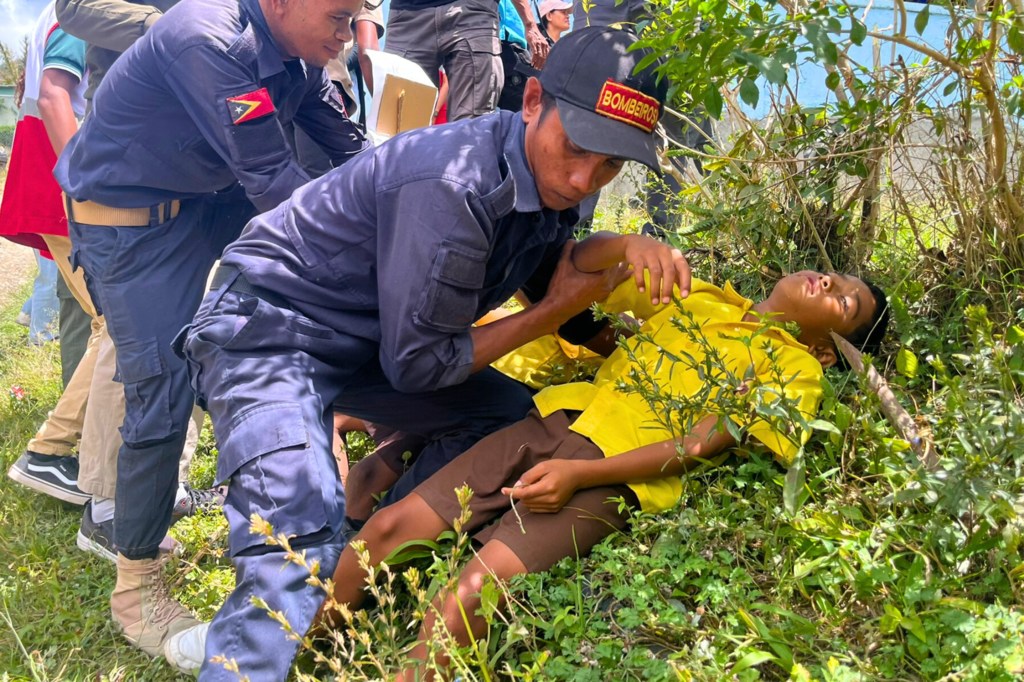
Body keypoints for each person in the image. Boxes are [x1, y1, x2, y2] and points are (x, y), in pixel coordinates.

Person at [181, 26, 681, 680]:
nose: (586, 177)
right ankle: (271, 624)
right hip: (269, 328)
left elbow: (543, 265)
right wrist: (546, 319)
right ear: (533, 100)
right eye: (578, 148)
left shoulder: (539, 174)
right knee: (294, 540)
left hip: (367, 344)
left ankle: (359, 555)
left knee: (507, 416)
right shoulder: (454, 182)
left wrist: (617, 254)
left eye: (610, 166)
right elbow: (422, 366)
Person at [325, 266, 890, 679]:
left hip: (612, 478)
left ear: (828, 353)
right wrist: (625, 250)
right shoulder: (707, 300)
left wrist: (582, 476)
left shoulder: (794, 367)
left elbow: (704, 441)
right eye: (834, 277)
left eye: (846, 304)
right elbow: (589, 275)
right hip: (552, 420)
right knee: (386, 530)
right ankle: (300, 644)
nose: (829, 284)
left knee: (470, 592)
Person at [54, 0, 368, 673]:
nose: (349, 31)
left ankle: (285, 472)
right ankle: (135, 586)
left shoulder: (297, 56)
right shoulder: (208, 38)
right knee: (161, 391)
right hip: (132, 223)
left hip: (206, 201)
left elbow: (351, 155)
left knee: (281, 326)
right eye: (339, 15)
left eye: (356, 16)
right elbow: (277, 186)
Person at [1, 2, 91, 505]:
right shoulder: (81, 12)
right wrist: (92, 183)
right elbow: (58, 96)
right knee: (115, 327)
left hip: (56, 179)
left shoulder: (58, 11)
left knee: (92, 315)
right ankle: (50, 450)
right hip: (65, 184)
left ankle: (70, 443)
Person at [383, 0, 548, 121]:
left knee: (470, 130)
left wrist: (530, 24)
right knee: (399, 127)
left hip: (472, 12)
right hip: (407, 15)